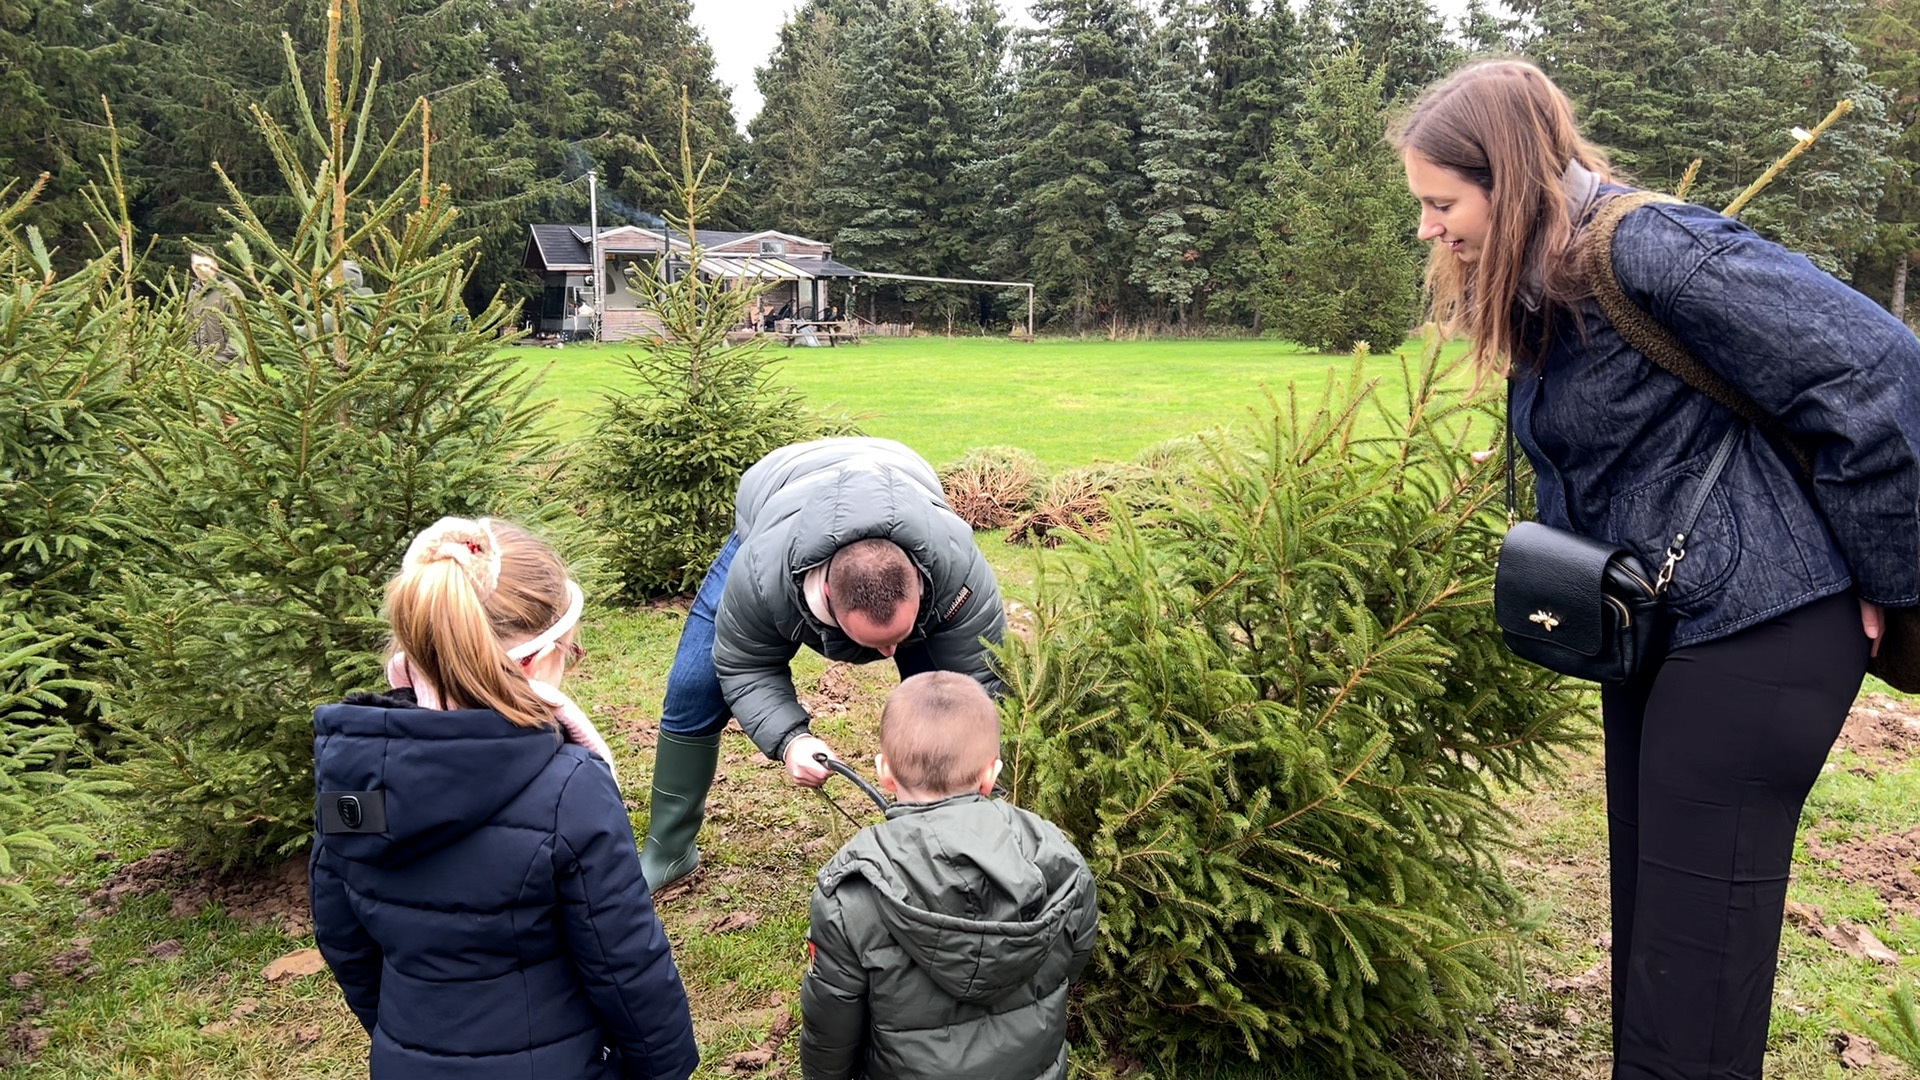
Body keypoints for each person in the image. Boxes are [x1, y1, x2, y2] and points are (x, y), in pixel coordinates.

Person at [1395, 59, 1920, 1078]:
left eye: (1442, 203)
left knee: (1698, 954)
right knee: (1656, 932)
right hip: (1665, 631)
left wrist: (1885, 584)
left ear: (1506, 178)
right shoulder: (1554, 277)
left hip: (1764, 633)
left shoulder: (1651, 246)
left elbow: (1884, 375)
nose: (1429, 229)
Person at [310, 516, 699, 1080]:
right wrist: (665, 1068)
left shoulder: (350, 775)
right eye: (572, 648)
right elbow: (624, 960)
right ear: (535, 662)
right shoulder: (570, 787)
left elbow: (341, 934)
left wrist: (402, 1036)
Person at [641, 436, 1007, 891]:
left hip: (901, 477)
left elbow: (983, 688)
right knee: (694, 684)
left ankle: (962, 839)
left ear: (919, 581)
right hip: (779, 497)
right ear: (828, 598)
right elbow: (745, 664)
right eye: (877, 643)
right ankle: (669, 850)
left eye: (901, 637)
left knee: (947, 705)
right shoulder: (761, 574)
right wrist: (790, 740)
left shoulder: (956, 568)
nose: (890, 655)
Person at [798, 672, 1098, 1080]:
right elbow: (1073, 957)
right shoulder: (1058, 856)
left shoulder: (851, 892)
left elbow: (832, 1019)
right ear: (992, 774)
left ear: (884, 772)